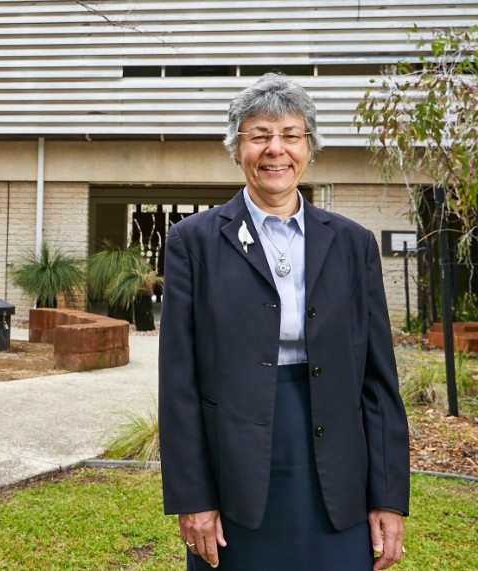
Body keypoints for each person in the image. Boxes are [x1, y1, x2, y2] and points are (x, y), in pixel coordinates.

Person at [158, 72, 410, 571]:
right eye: (260, 136)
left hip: (336, 470)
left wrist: (388, 497)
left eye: (291, 135)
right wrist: (193, 497)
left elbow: (379, 382)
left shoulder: (352, 244)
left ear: (309, 147)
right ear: (237, 148)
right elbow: (179, 383)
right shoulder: (194, 242)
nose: (276, 150)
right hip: (235, 470)